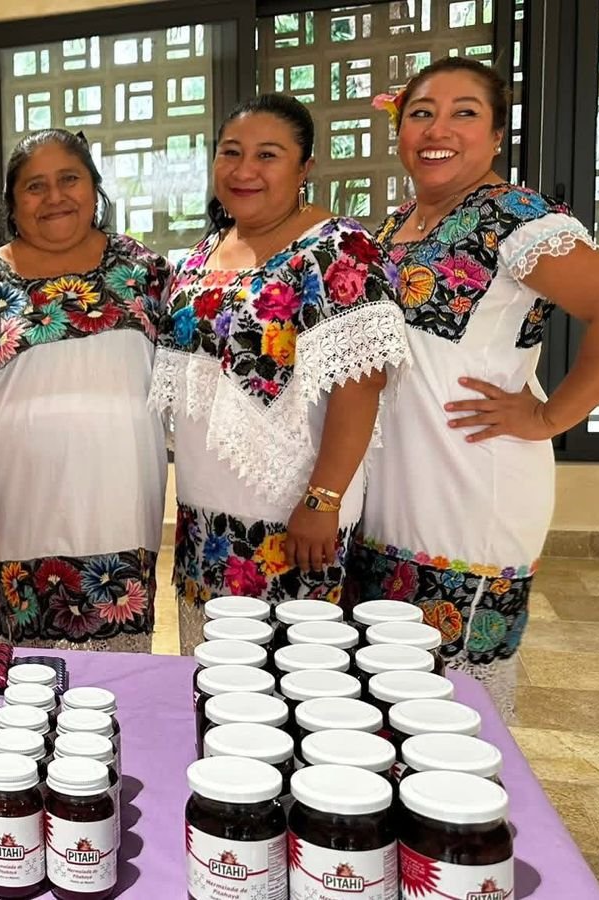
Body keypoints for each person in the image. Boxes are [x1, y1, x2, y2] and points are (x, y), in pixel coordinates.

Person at [351, 58, 599, 718]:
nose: (439, 129)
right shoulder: (392, 225)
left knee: (454, 703)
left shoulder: (514, 217)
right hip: (393, 489)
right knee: (387, 683)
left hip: (471, 489)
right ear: (399, 127)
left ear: (495, 136)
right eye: (422, 112)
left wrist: (550, 417)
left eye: (465, 113)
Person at [151, 95, 410, 655]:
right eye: (231, 153)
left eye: (267, 154)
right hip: (205, 507)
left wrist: (323, 499)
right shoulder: (205, 250)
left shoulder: (340, 247)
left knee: (294, 673)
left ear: (305, 167)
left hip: (296, 510)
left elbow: (361, 382)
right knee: (214, 666)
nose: (245, 170)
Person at [0, 129, 170, 652]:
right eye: (35, 187)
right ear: (13, 203)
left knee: (120, 661)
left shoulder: (145, 271)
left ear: (94, 188)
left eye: (69, 180)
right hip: (18, 505)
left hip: (121, 498)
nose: (54, 197)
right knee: (31, 668)